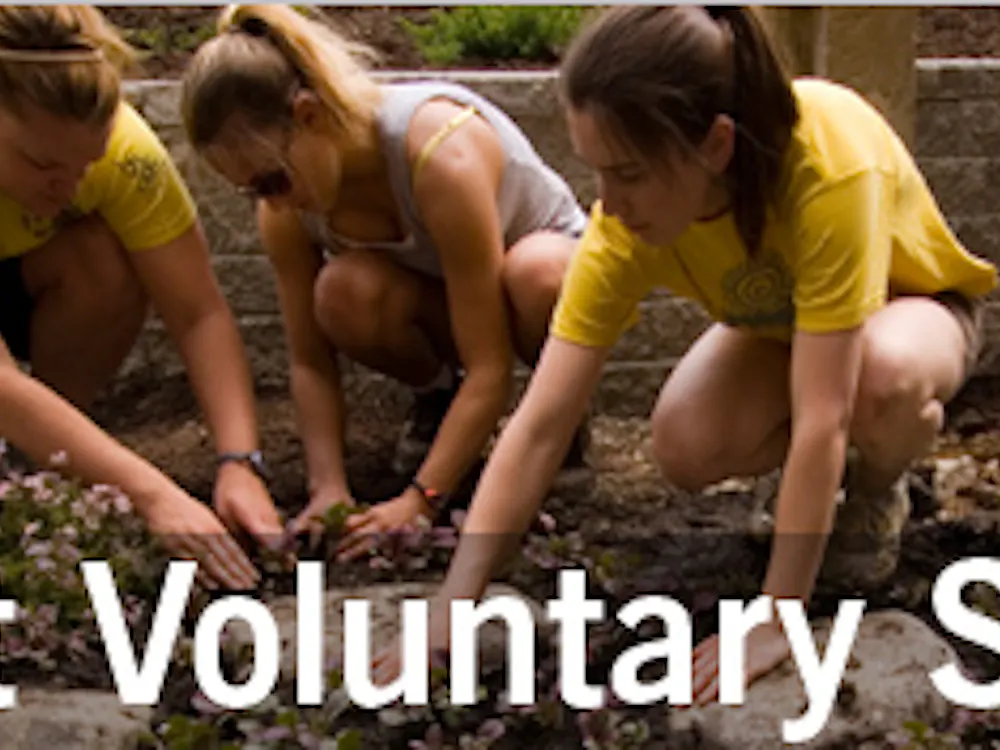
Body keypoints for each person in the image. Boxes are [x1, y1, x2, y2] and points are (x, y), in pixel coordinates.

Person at [373, 5, 998, 702]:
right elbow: (541, 421)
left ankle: (880, 487)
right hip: (788, 333)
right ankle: (811, 491)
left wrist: (775, 616)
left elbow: (821, 415)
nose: (608, 204)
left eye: (630, 173)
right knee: (684, 443)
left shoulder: (826, 170)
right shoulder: (622, 229)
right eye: (597, 172)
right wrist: (454, 603)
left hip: (913, 313)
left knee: (876, 382)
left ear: (717, 145)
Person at [179, 5, 590, 560]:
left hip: (532, 295)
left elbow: (490, 365)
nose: (271, 201)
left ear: (308, 114)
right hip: (445, 298)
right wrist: (328, 488)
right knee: (344, 293)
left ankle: (558, 417)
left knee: (535, 274)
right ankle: (439, 399)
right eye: (252, 191)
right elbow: (310, 361)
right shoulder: (285, 205)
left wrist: (420, 502)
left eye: (273, 179)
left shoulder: (441, 155)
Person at [0, 6, 287, 587]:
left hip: (21, 281)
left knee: (102, 261)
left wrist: (240, 463)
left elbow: (199, 312)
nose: (69, 187)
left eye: (85, 166)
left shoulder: (126, 155)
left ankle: (31, 465)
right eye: (44, 165)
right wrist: (155, 496)